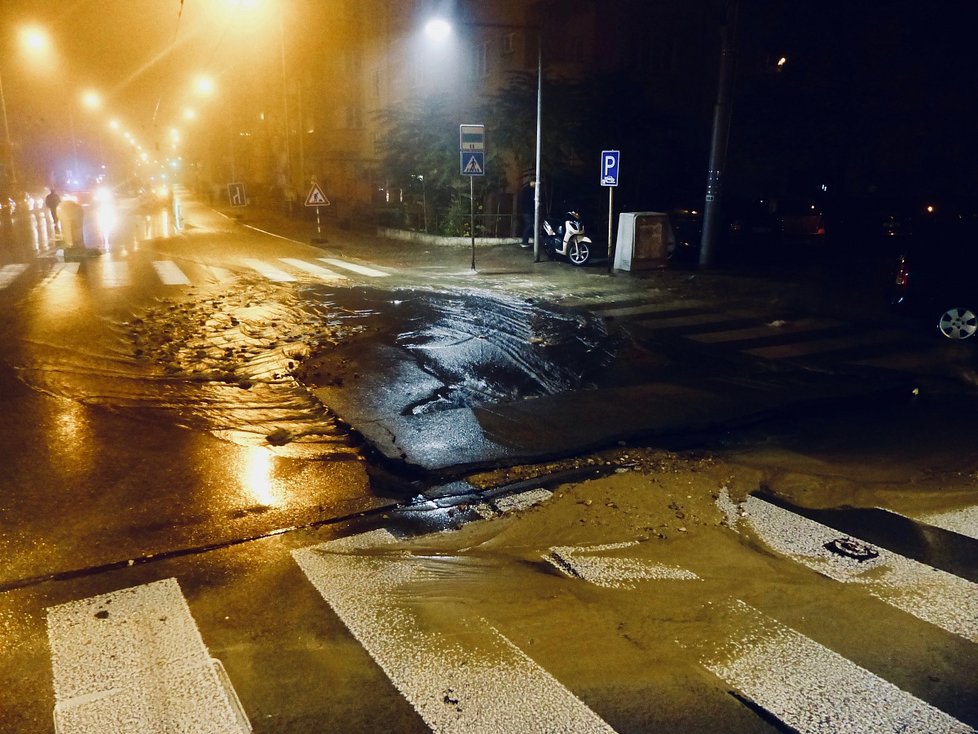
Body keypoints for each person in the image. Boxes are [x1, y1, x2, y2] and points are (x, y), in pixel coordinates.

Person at [518, 179, 536, 249]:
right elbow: (529, 201)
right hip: (527, 211)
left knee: (529, 225)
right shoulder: (528, 190)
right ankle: (524, 242)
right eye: (534, 182)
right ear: (531, 182)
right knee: (529, 225)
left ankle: (525, 241)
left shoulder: (527, 190)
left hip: (527, 211)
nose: (535, 184)